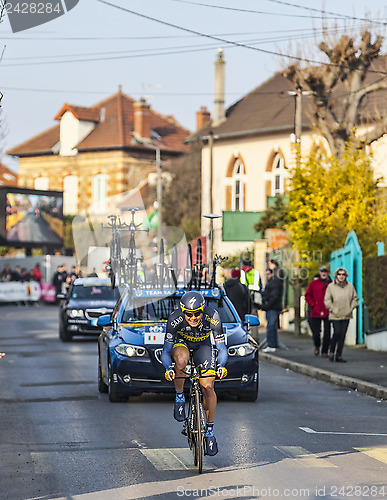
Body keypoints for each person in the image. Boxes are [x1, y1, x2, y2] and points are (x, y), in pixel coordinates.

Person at [161, 291, 228, 456]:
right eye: (189, 314)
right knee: (182, 359)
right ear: (183, 312)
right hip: (181, 344)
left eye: (197, 313)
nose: (193, 318)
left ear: (203, 309)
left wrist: (221, 365)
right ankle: (179, 397)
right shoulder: (174, 318)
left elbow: (221, 348)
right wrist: (169, 368)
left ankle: (210, 432)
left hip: (203, 347)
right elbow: (166, 350)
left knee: (208, 387)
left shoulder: (213, 316)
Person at [324, 267, 358, 363]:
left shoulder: (350, 286)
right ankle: (331, 351)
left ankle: (339, 355)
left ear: (346, 276)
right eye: (339, 274)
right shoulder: (331, 287)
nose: (341, 276)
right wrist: (333, 309)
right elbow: (327, 300)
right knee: (337, 332)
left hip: (346, 314)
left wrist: (351, 308)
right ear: (336, 276)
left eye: (343, 274)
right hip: (335, 315)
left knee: (343, 335)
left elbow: (355, 298)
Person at [305, 265, 332, 357]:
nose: (324, 273)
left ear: (328, 273)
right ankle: (317, 346)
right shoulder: (314, 283)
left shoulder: (332, 284)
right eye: (322, 271)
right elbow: (307, 295)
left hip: (328, 310)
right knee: (316, 332)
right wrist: (313, 304)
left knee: (327, 332)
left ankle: (325, 351)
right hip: (316, 311)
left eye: (325, 271)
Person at [260, 268, 283, 352]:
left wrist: (267, 304)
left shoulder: (274, 283)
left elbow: (274, 296)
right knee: (271, 326)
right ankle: (273, 344)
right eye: (266, 274)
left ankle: (272, 345)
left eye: (268, 274)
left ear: (272, 274)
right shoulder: (271, 282)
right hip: (272, 307)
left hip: (272, 307)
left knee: (271, 326)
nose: (267, 276)